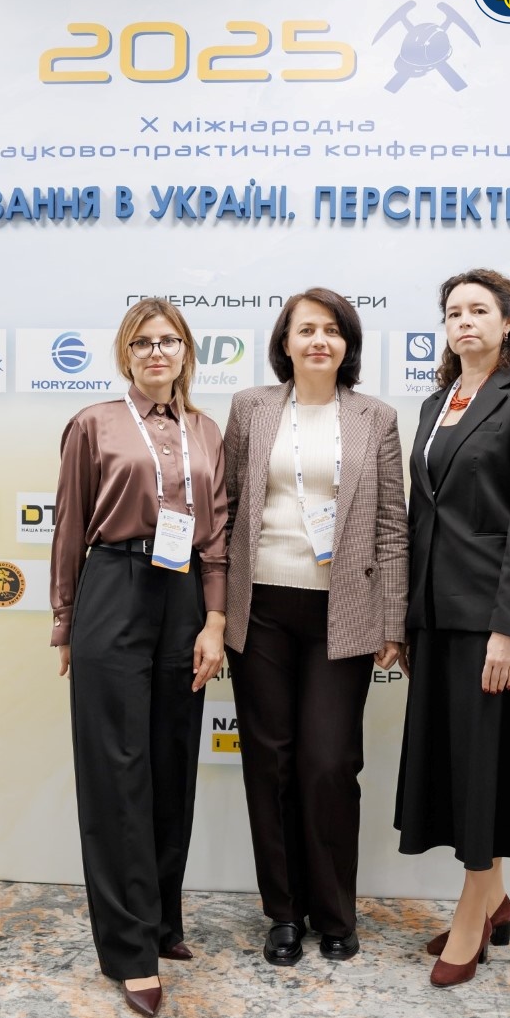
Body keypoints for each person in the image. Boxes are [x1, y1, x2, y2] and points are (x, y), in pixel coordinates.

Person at [50, 298, 227, 1018]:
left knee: (171, 761)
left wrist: (215, 620)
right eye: (144, 342)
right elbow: (69, 525)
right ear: (127, 354)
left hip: (183, 593)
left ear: (186, 351)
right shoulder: (94, 424)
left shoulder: (205, 430)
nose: (158, 352)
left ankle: (160, 922)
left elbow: (216, 536)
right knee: (117, 771)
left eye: (169, 341)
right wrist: (65, 620)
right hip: (114, 587)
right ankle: (129, 952)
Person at [224, 287, 409, 966]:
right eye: (306, 329)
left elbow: (392, 524)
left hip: (344, 611)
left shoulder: (375, 417)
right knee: (268, 762)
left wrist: (393, 619)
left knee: (329, 764)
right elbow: (226, 507)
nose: (319, 340)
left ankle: (335, 912)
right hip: (260, 607)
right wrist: (212, 611)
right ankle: (283, 912)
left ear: (347, 344)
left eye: (332, 329)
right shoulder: (250, 408)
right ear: (286, 341)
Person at [394, 268, 510, 988]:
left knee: (483, 773)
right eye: (453, 312)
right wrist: (409, 618)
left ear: (507, 323)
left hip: (491, 623)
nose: (464, 321)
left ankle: (472, 918)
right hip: (437, 619)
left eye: (478, 310)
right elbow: (422, 516)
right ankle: (495, 900)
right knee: (460, 770)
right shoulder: (435, 403)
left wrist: (507, 629)